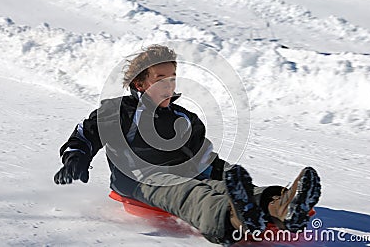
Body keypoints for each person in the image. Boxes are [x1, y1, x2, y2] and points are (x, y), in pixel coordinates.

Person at [54, 44, 321, 245]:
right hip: (138, 180)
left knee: (217, 183)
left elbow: (204, 161)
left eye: (172, 78)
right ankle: (231, 219)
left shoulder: (184, 119)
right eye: (160, 79)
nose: (169, 85)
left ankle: (279, 206)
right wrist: (76, 158)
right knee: (190, 192)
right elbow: (85, 135)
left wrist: (231, 178)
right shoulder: (118, 111)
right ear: (139, 83)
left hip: (184, 172)